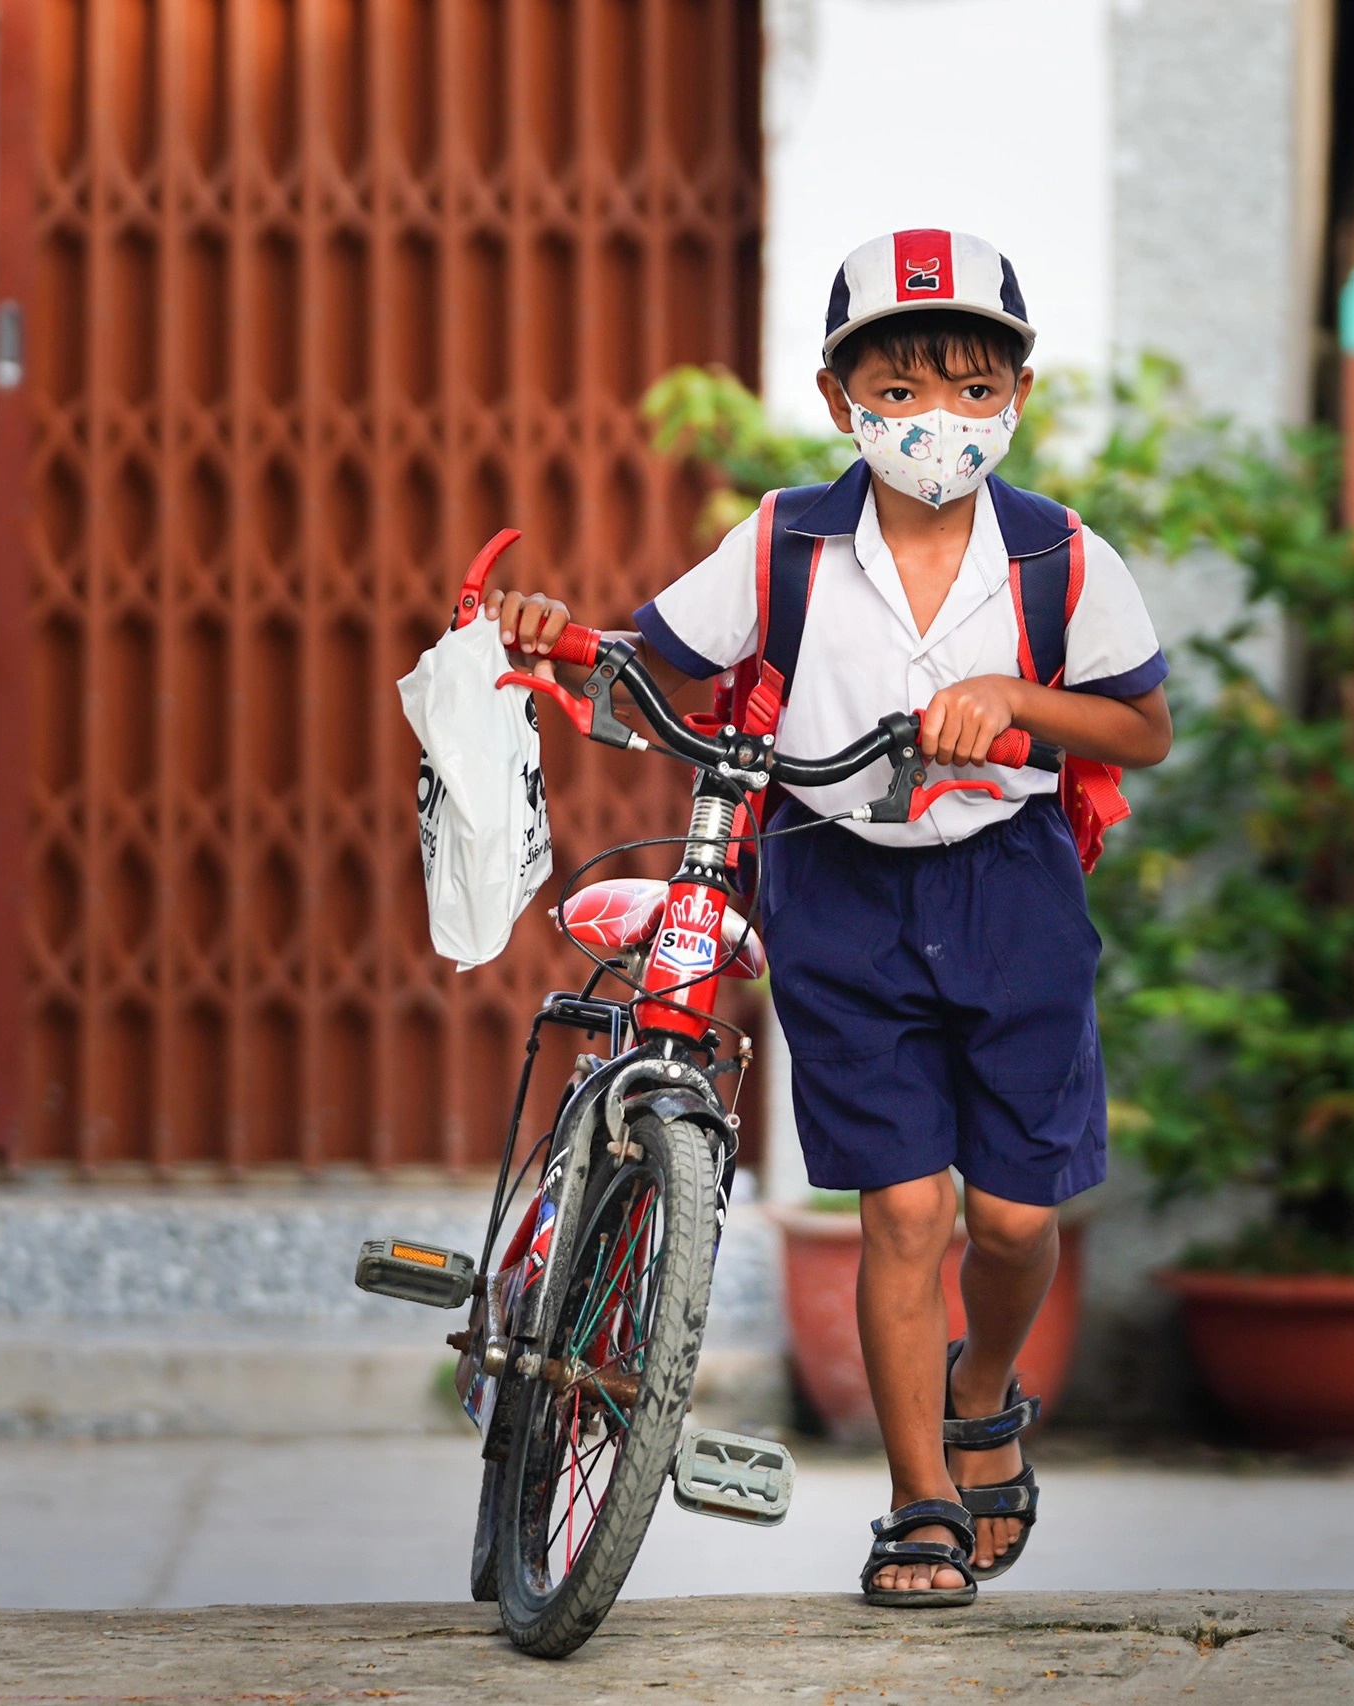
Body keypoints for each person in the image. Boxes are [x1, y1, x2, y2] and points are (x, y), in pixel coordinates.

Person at [490, 232, 1172, 1606]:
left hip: (1012, 891)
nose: (942, 418)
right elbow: (650, 665)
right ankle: (920, 1498)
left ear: (1018, 394)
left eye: (976, 388)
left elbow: (1142, 724)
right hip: (839, 888)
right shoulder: (788, 543)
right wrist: (553, 635)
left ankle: (987, 1389)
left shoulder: (1055, 556)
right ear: (838, 392)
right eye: (907, 386)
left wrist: (1020, 701)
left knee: (1018, 1219)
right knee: (904, 1208)